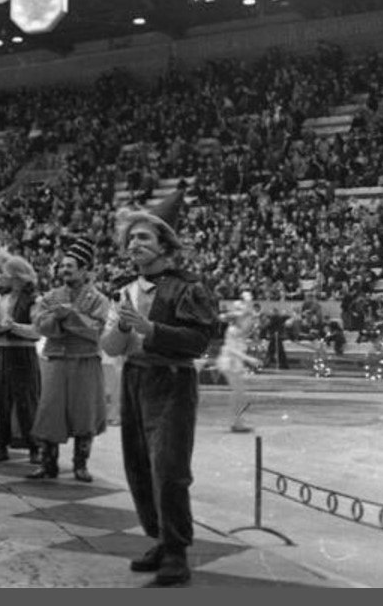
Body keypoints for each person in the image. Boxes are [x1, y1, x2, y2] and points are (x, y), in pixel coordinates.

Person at [102, 192, 217, 587]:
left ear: (165, 246)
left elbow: (199, 340)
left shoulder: (187, 288)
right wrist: (120, 327)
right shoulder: (125, 288)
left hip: (171, 380)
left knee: (168, 467)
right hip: (135, 376)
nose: (134, 244)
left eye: (144, 238)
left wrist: (150, 329)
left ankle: (177, 550)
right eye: (131, 238)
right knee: (139, 465)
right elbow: (111, 347)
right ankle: (160, 538)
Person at [29, 237, 110, 481]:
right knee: (50, 411)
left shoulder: (98, 299)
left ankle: (80, 465)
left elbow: (97, 330)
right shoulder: (51, 296)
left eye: (70, 266)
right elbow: (40, 325)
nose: (64, 270)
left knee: (84, 413)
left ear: (84, 270)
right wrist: (59, 319)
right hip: (56, 360)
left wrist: (70, 316)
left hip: (85, 361)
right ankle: (48, 463)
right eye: (62, 266)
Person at [0, 252, 42, 464]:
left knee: (27, 400)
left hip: (23, 352)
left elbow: (37, 331)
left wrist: (14, 327)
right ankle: (2, 444)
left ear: (17, 276)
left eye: (6, 274)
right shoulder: (0, 297)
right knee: (2, 399)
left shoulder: (34, 299)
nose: (2, 278)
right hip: (3, 351)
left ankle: (34, 446)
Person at [217, 292, 261, 433]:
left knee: (239, 393)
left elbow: (249, 316)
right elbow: (231, 349)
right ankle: (236, 422)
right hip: (230, 362)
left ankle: (237, 421)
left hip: (233, 363)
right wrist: (249, 359)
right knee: (238, 393)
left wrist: (248, 301)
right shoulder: (232, 330)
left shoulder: (239, 330)